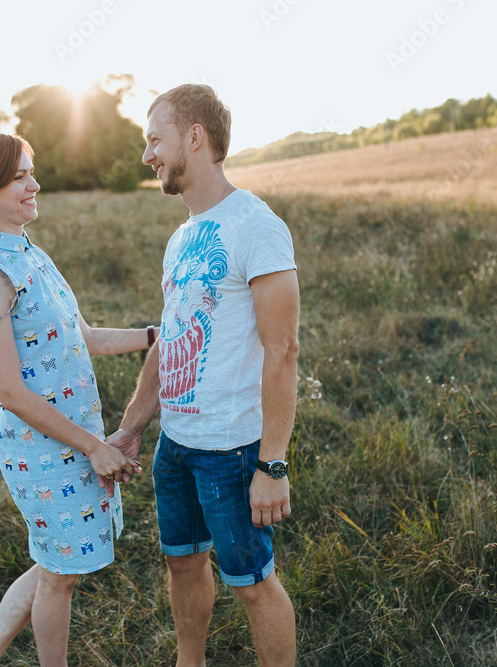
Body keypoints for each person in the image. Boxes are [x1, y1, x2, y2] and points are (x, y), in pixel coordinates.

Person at [107, 84, 301, 666]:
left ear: (195, 137)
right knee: (182, 563)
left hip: (233, 450)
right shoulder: (181, 239)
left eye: (154, 139)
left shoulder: (255, 225)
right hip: (178, 447)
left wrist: (272, 463)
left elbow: (284, 348)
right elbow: (167, 341)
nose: (148, 155)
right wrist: (132, 428)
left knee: (252, 584)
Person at [0, 132, 153, 666]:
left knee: (52, 565)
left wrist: (156, 335)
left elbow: (85, 337)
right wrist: (93, 447)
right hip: (43, 451)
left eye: (30, 172)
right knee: (60, 577)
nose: (34, 184)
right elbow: (9, 391)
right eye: (19, 176)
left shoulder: (30, 253)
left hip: (73, 441)